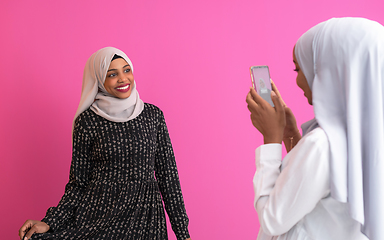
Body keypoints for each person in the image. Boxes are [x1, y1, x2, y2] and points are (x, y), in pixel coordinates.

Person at [19, 47, 191, 240]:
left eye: (127, 70)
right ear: (99, 79)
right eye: (112, 74)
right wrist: (51, 221)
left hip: (146, 218)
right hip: (100, 215)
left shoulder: (153, 116)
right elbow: (79, 183)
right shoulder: (87, 121)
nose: (123, 79)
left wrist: (183, 233)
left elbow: (168, 176)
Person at [246, 17, 384, 240]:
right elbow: (316, 192)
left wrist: (270, 139)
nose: (298, 80)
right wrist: (290, 135)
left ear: (332, 68)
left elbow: (271, 220)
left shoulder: (322, 144)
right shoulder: (367, 138)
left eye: (298, 68)